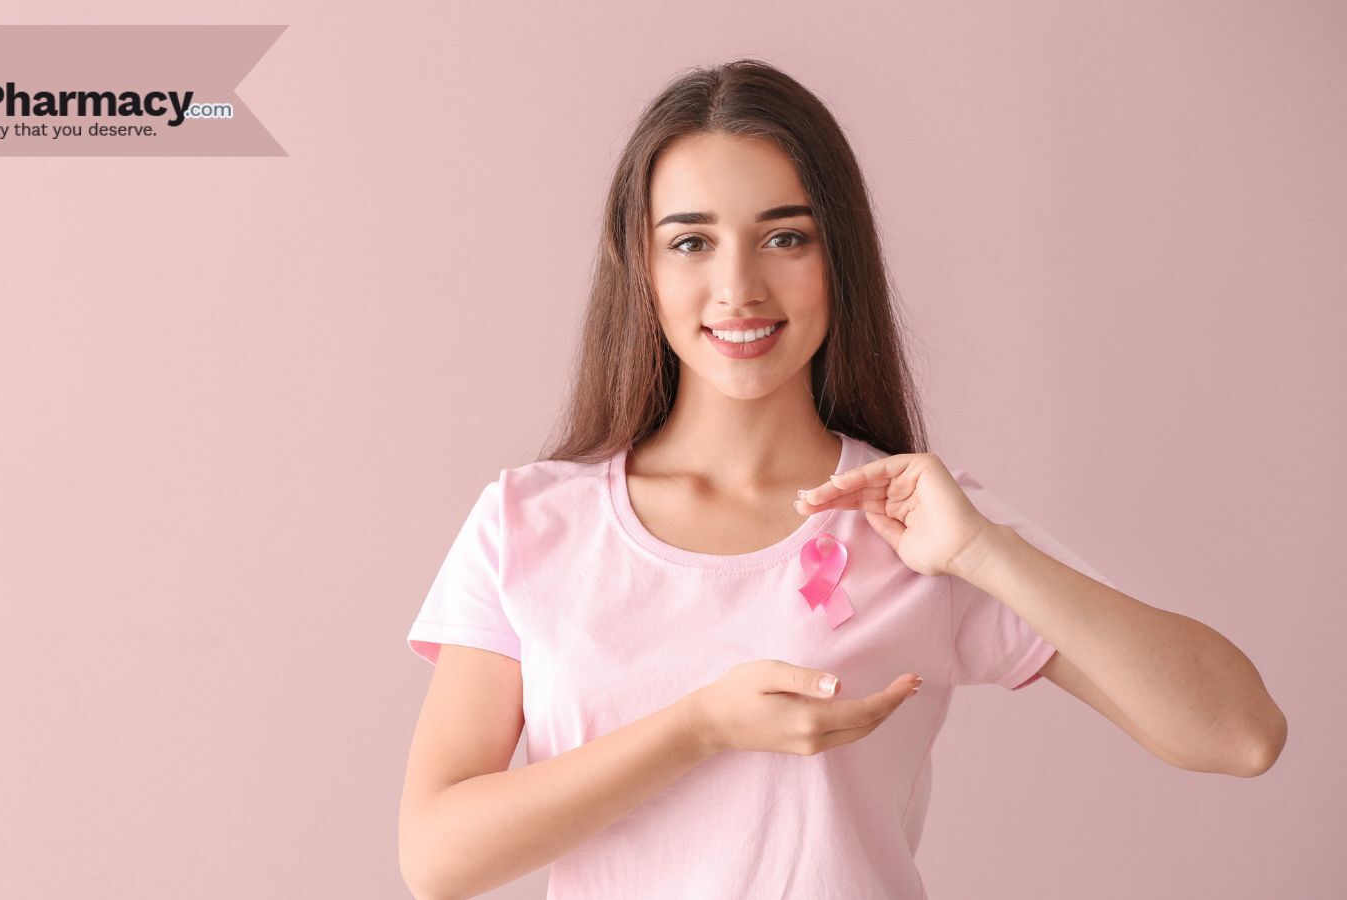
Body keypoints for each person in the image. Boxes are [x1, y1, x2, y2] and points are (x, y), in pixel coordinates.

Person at [397, 58, 1286, 900]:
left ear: (839, 260)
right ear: (644, 269)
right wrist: (700, 727)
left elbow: (1242, 736)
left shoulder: (921, 523)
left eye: (785, 236)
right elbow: (437, 859)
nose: (738, 285)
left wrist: (984, 552)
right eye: (693, 242)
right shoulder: (528, 522)